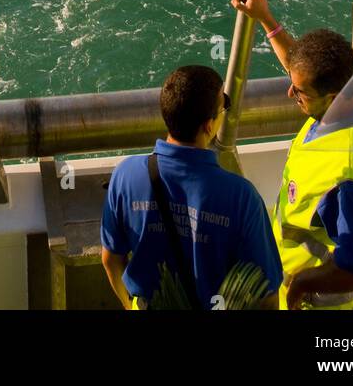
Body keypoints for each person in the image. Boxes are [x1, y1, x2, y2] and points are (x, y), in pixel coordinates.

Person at [231, 0, 353, 311]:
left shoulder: (347, 179)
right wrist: (265, 19)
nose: (291, 93)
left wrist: (302, 284)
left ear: (331, 98)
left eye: (300, 91)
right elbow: (304, 69)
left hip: (318, 304)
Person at [100, 65, 281, 310]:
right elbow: (266, 294)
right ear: (208, 126)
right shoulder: (241, 196)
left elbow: (110, 259)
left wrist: (129, 304)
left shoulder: (126, 175)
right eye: (224, 106)